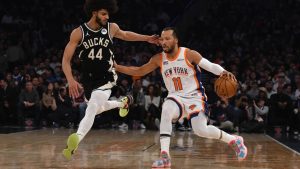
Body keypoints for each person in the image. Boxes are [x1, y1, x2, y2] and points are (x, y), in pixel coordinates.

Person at [114, 27, 247, 168]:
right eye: (162, 39)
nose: (164, 42)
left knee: (201, 130)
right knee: (166, 110)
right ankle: (165, 156)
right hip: (175, 97)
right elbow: (139, 70)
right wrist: (117, 67)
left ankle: (234, 140)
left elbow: (210, 66)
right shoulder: (158, 59)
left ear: (176, 40)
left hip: (194, 96)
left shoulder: (189, 54)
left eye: (167, 38)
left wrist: (224, 72)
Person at [62, 0, 159, 160]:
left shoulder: (111, 27)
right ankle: (123, 103)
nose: (107, 17)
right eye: (103, 13)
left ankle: (76, 139)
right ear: (94, 12)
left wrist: (147, 38)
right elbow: (65, 60)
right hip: (88, 79)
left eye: (108, 13)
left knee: (92, 107)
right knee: (97, 108)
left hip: (107, 76)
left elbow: (126, 35)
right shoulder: (78, 32)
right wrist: (71, 80)